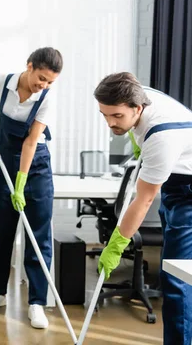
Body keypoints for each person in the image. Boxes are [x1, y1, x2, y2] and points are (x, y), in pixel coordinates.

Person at [95, 72, 192, 344]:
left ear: (138, 108)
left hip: (188, 193)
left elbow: (145, 199)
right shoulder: (138, 92)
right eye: (104, 115)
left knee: (177, 279)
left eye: (116, 117)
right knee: (171, 273)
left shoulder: (162, 138)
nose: (109, 123)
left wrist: (115, 244)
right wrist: (138, 143)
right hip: (176, 180)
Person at [0, 47, 63, 329]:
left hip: (35, 167)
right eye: (41, 78)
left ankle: (37, 302)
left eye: (49, 82)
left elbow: (30, 142)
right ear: (29, 66)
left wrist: (21, 183)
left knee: (37, 233)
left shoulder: (46, 99)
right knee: (2, 228)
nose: (43, 85)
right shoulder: (3, 82)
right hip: (3, 160)